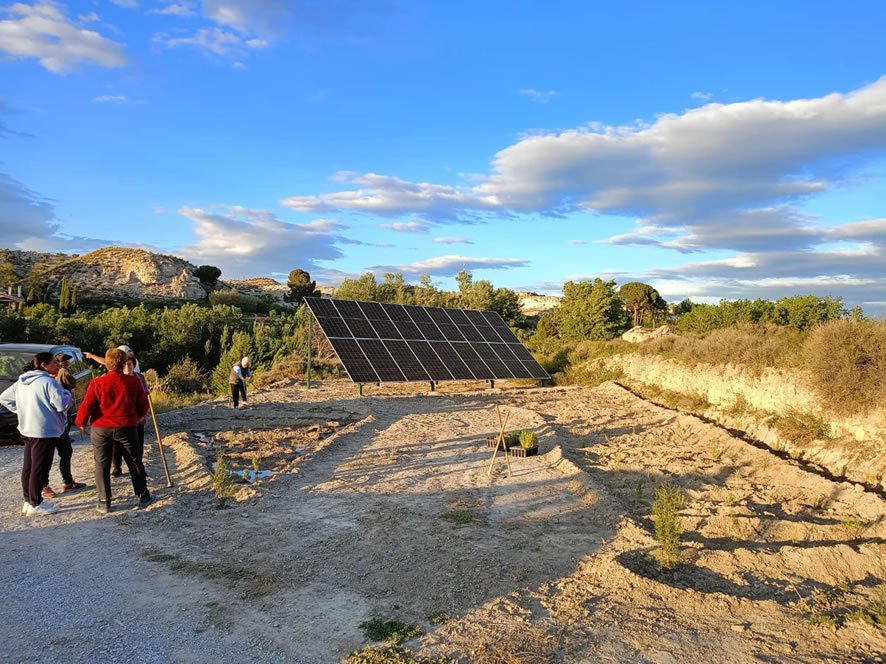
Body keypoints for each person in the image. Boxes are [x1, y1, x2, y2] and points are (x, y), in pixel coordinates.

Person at [75, 348, 152, 514]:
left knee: (101, 463)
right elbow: (143, 405)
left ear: (107, 364)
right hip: (126, 426)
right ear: (124, 363)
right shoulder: (133, 382)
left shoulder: (97, 383)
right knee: (134, 460)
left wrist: (81, 422)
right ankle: (143, 495)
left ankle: (104, 502)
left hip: (101, 428)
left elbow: (87, 405)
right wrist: (136, 418)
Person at [0, 352, 73, 517]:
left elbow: (4, 398)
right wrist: (68, 395)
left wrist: (22, 410)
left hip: (27, 428)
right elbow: (61, 405)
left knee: (29, 466)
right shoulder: (49, 382)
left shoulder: (22, 381)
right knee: (40, 468)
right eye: (54, 362)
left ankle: (28, 500)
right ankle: (35, 503)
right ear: (43, 365)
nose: (58, 365)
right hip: (45, 430)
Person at [42, 353, 87, 497]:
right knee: (46, 457)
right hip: (49, 424)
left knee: (66, 451)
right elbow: (71, 384)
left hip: (60, 422)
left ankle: (67, 481)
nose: (66, 362)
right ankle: (44, 485)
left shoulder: (55, 375)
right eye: (62, 361)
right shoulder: (51, 378)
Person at [111, 348, 149, 477]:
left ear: (134, 365)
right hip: (121, 419)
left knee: (138, 442)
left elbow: (145, 393)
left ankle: (139, 468)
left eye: (130, 363)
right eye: (125, 364)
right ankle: (117, 466)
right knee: (118, 444)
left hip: (138, 417)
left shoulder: (139, 378)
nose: (128, 366)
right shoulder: (118, 379)